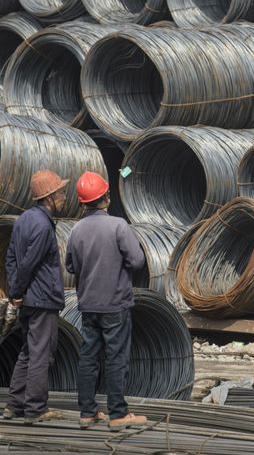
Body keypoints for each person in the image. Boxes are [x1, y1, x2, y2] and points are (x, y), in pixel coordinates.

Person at [66, 171, 148, 431]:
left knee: (88, 357)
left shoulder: (76, 229)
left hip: (88, 304)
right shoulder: (118, 225)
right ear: (106, 198)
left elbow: (69, 265)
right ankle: (117, 414)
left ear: (83, 203)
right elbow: (136, 261)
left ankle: (87, 413)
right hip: (115, 304)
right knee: (116, 358)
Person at [3, 169, 67, 424]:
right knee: (41, 353)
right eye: (61, 192)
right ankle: (36, 408)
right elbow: (29, 263)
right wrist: (17, 292)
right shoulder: (43, 225)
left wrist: (16, 294)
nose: (64, 197)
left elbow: (11, 258)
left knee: (28, 351)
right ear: (49, 197)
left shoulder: (23, 220)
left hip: (29, 300)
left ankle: (14, 405)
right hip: (42, 299)